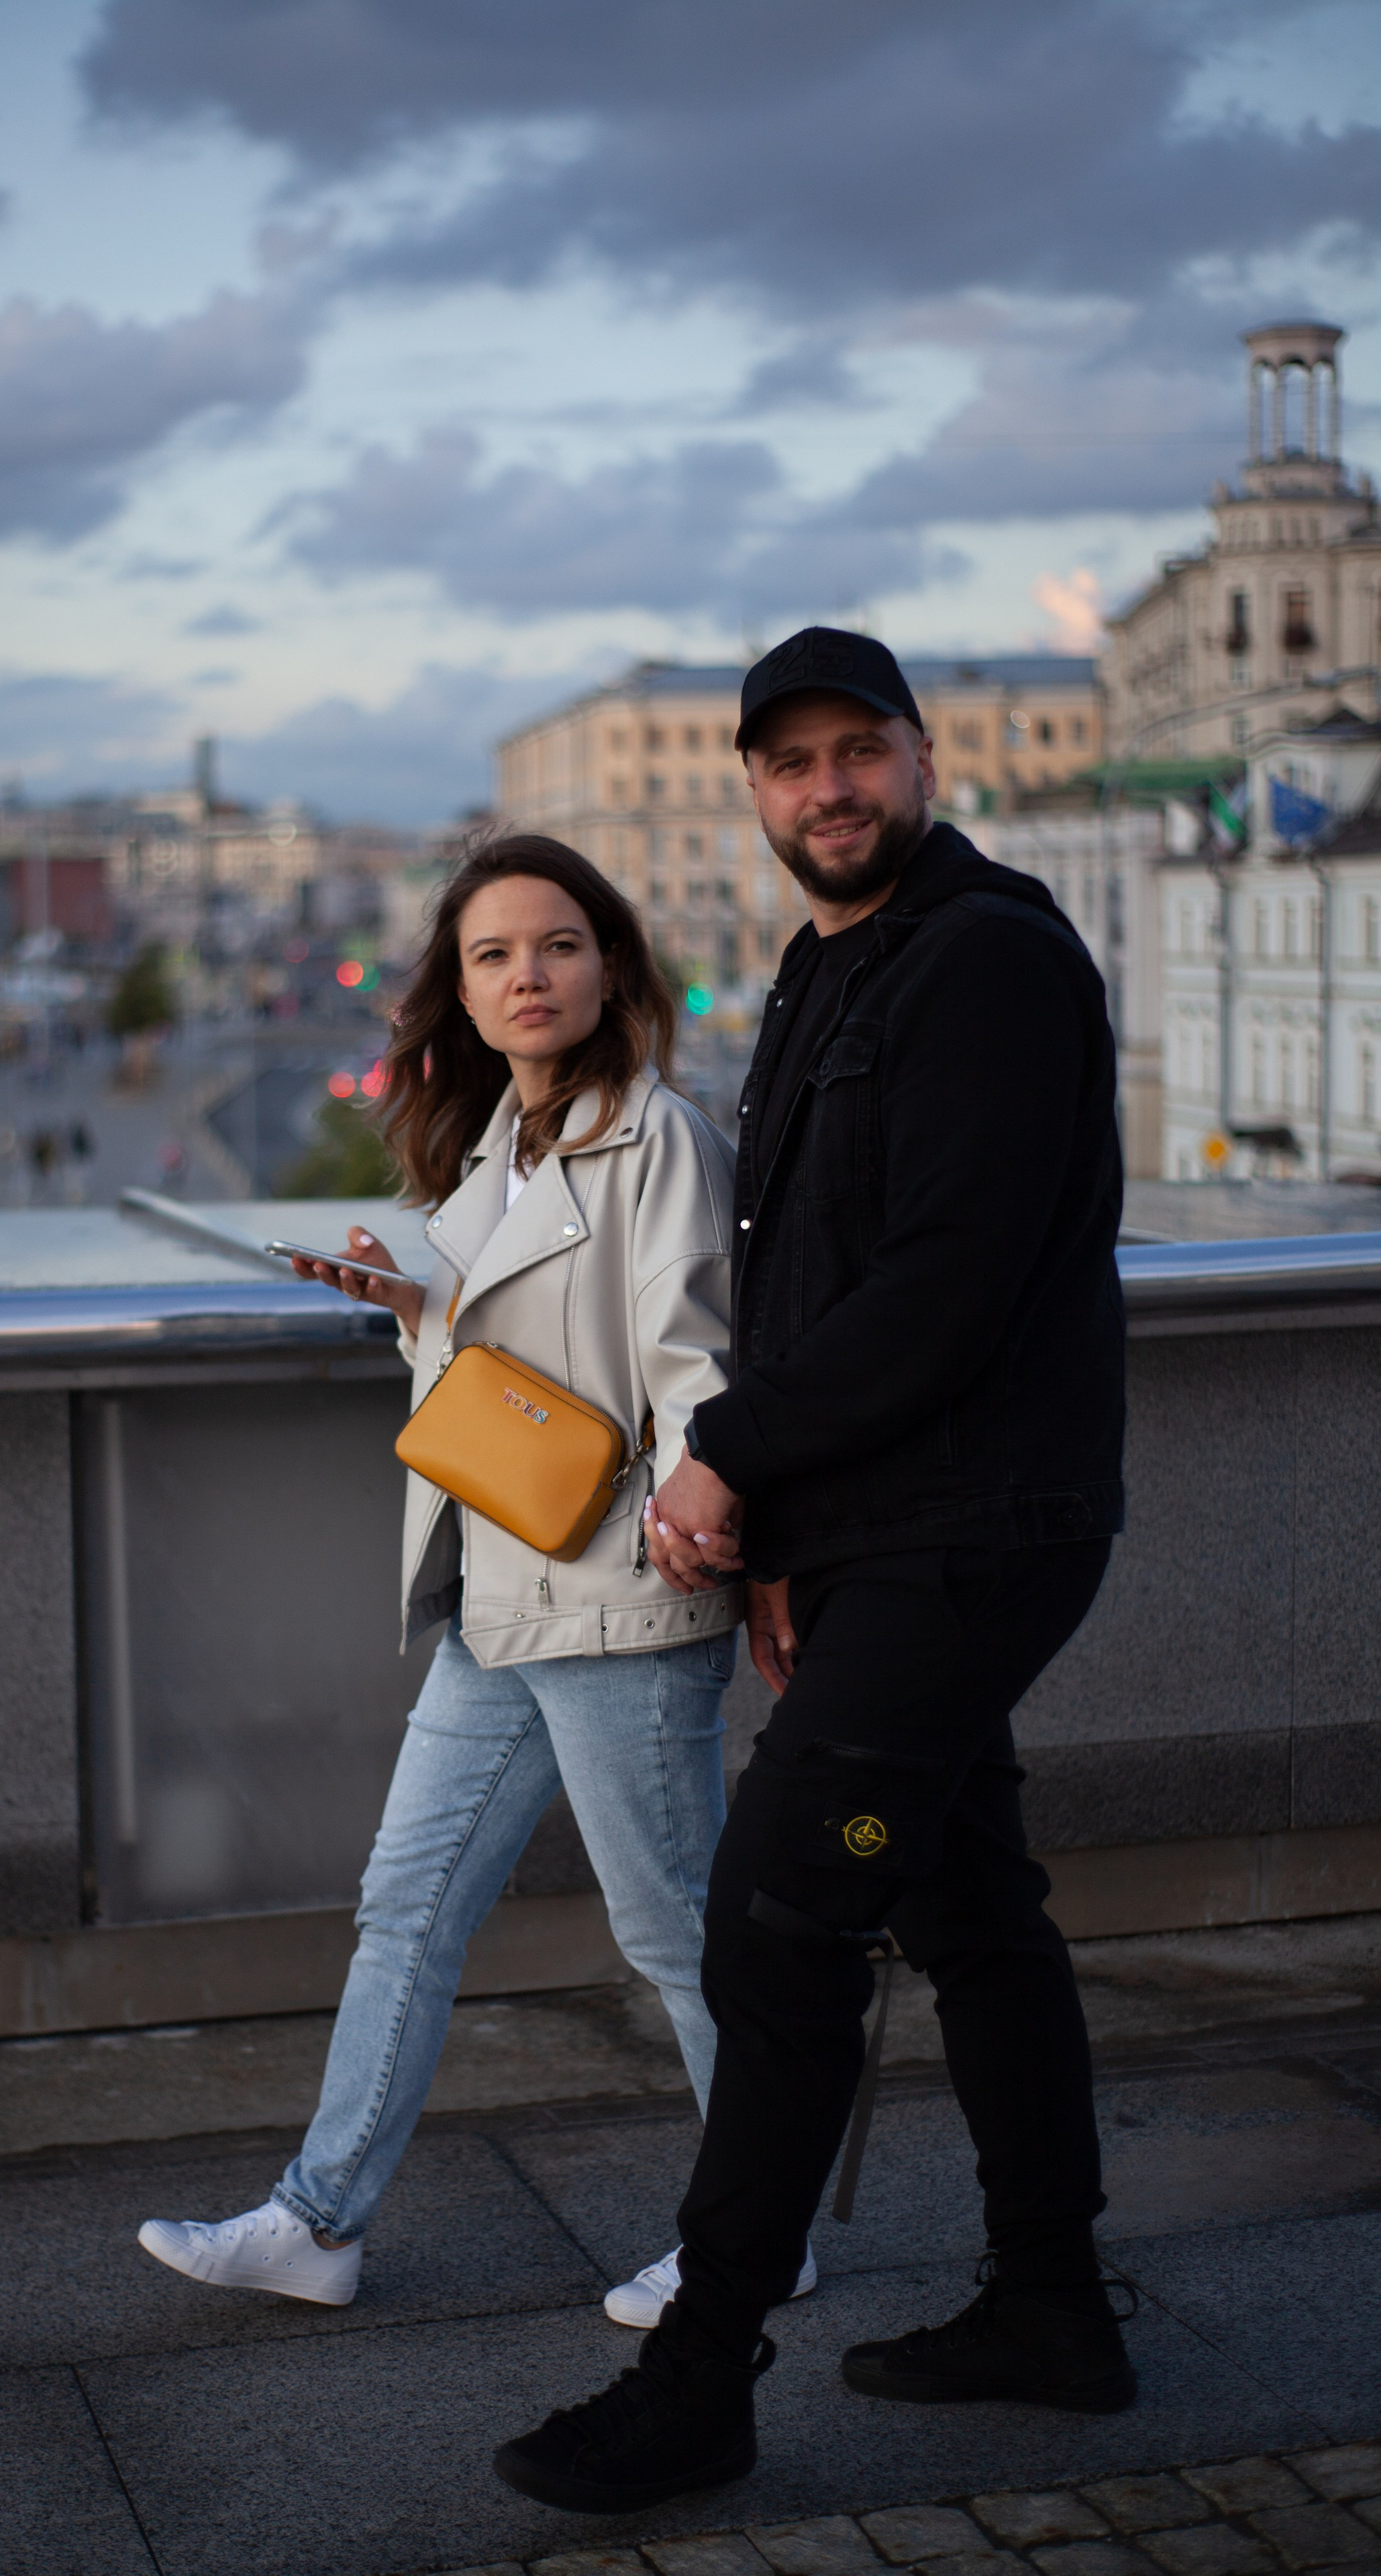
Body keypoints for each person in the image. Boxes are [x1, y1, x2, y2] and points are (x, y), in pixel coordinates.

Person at [496, 630, 1129, 2518]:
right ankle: (1053, 2309)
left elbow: (943, 1283)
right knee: (975, 1911)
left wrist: (731, 1459)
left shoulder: (993, 960)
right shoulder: (826, 964)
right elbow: (798, 1280)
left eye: (861, 753)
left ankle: (702, 2379)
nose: (827, 789)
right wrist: (783, 1528)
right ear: (754, 789)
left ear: (923, 762)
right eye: (791, 765)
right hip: (884, 1535)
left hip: (976, 1528)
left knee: (780, 1928)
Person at [138, 833, 816, 2326]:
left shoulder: (658, 1142)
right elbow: (503, 1369)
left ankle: (760, 2239)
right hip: (500, 1595)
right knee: (407, 1908)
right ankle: (317, 2223)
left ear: (611, 966)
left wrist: (684, 1525)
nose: (527, 976)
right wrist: (410, 1299)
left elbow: (700, 1379)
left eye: (557, 945)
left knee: (673, 1935)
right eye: (492, 954)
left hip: (620, 1603)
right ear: (455, 987)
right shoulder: (494, 1149)